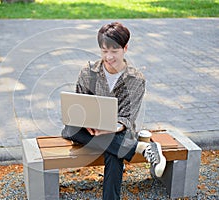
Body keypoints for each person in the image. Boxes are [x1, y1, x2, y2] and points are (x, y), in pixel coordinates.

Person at [61, 22, 166, 200]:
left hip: (119, 132)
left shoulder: (135, 79)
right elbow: (78, 105)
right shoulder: (88, 72)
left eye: (114, 51)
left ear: (125, 48)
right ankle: (141, 147)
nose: (108, 57)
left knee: (114, 152)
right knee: (69, 129)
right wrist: (87, 124)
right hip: (90, 130)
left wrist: (109, 129)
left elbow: (127, 117)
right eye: (104, 51)